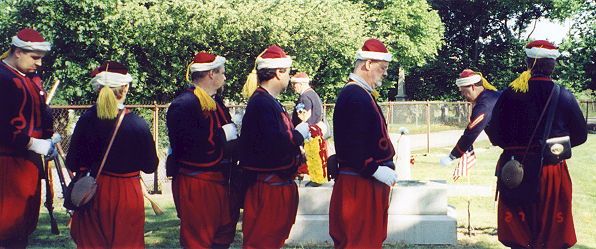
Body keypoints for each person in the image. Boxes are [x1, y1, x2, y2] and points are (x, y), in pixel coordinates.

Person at [487, 40, 587, 249]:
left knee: (519, 235)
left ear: (528, 62)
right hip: (550, 170)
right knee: (551, 234)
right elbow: (580, 135)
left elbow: (496, 136)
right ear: (552, 65)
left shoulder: (509, 93)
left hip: (515, 169)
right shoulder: (564, 96)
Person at [66, 61, 158, 249]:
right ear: (124, 88)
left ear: (98, 88)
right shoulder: (137, 124)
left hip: (92, 191)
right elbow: (150, 166)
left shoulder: (85, 120)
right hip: (126, 193)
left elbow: (73, 163)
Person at [238, 45, 310, 249]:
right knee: (262, 242)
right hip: (268, 188)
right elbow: (276, 144)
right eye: (288, 72)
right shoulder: (262, 103)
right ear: (279, 72)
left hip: (273, 186)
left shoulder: (267, 101)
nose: (289, 78)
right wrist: (299, 134)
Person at [329, 38, 398, 249]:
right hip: (360, 183)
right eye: (383, 68)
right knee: (359, 243)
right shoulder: (355, 95)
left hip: (364, 181)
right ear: (367, 64)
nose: (385, 73)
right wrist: (375, 169)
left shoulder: (360, 93)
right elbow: (351, 145)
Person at [166, 52, 240, 249]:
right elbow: (191, 148)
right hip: (198, 183)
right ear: (211, 74)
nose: (224, 77)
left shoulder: (215, 102)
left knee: (222, 239)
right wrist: (224, 135)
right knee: (199, 241)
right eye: (222, 73)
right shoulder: (184, 104)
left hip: (221, 181)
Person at [0, 28, 55, 249]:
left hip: (27, 164)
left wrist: (49, 138)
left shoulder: (31, 79)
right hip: (6, 165)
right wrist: (33, 143)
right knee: (6, 227)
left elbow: (42, 113)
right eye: (35, 58)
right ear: (17, 52)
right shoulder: (3, 79)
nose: (39, 64)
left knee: (22, 226)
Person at [439, 69, 500, 168]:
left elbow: (472, 132)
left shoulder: (485, 104)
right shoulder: (491, 96)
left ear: (472, 86)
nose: (463, 95)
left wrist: (452, 156)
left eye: (463, 91)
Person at [290, 72, 328, 187]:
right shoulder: (313, 94)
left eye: (295, 84)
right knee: (317, 155)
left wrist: (300, 131)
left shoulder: (304, 96)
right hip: (316, 129)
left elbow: (305, 115)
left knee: (312, 156)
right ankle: (318, 178)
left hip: (309, 131)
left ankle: (316, 179)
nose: (293, 87)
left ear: (301, 84)